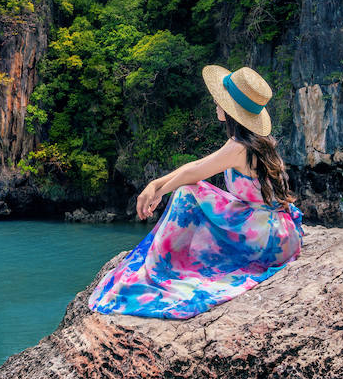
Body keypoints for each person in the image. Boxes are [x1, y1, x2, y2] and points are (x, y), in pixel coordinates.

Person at [88, 64, 304, 319]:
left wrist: (161, 191)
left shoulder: (239, 146)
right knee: (189, 188)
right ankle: (167, 264)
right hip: (275, 228)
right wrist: (156, 183)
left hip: (267, 239)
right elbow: (196, 165)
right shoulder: (248, 141)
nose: (215, 102)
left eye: (220, 100)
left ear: (233, 110)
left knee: (186, 193)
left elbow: (195, 174)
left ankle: (162, 268)